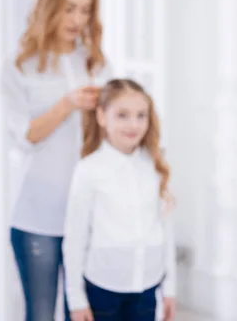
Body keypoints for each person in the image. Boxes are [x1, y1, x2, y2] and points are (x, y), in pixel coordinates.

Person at [1, 0, 112, 321]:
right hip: (38, 218)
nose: (77, 19)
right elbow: (25, 137)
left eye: (85, 9)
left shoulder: (95, 64)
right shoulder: (20, 66)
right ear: (49, 5)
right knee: (41, 315)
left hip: (89, 215)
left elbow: (112, 135)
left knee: (84, 313)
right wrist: (67, 104)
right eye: (69, 8)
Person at [62, 79, 177, 321]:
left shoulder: (154, 166)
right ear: (102, 116)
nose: (133, 124)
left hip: (147, 287)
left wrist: (170, 289)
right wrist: (76, 300)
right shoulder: (88, 169)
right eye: (122, 115)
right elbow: (75, 237)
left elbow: (166, 231)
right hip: (102, 289)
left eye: (140, 115)